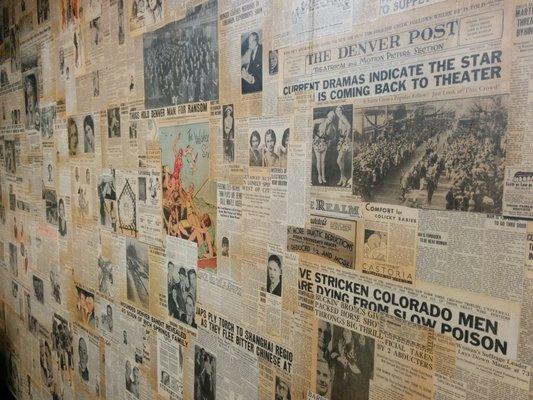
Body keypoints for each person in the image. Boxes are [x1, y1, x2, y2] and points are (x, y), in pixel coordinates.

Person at [313, 111, 336, 185]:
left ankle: (323, 176)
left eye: (332, 117)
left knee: (323, 161)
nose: (330, 118)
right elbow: (313, 121)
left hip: (324, 143)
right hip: (317, 142)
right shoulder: (322, 120)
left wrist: (330, 141)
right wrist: (313, 133)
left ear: (333, 118)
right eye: (329, 116)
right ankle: (319, 176)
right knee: (318, 161)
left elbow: (334, 136)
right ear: (327, 116)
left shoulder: (332, 125)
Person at [335, 105, 352, 187]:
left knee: (338, 161)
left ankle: (344, 178)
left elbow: (349, 126)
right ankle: (342, 179)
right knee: (342, 161)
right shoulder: (340, 118)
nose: (338, 112)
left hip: (344, 140)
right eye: (337, 111)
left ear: (342, 111)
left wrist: (347, 137)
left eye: (340, 111)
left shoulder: (342, 117)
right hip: (341, 140)